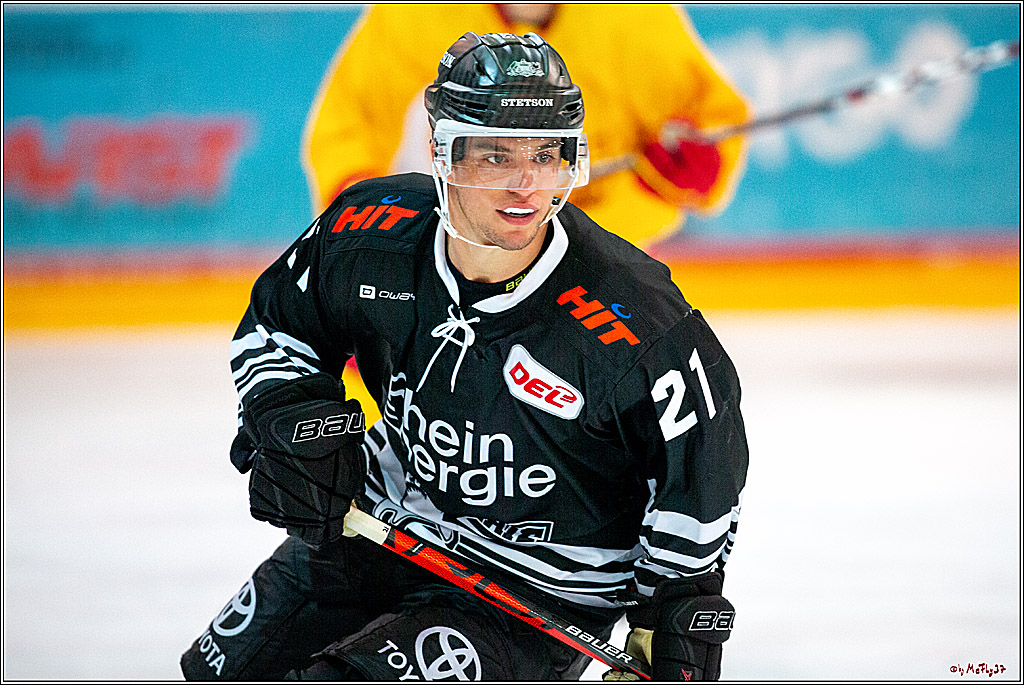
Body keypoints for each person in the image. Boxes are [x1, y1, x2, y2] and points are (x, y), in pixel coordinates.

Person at [181, 32, 748, 681]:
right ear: (441, 151)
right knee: (218, 672)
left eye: (546, 153)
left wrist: (672, 621)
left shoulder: (635, 319)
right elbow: (280, 323)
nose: (524, 182)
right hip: (376, 531)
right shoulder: (371, 233)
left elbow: (701, 473)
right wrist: (289, 413)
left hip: (531, 598)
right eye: (494, 153)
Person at [303, 4, 750, 250]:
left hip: (598, 259)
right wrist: (365, 244)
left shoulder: (633, 17)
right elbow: (349, 127)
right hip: (457, 253)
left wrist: (694, 168)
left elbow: (711, 122)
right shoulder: (420, 14)